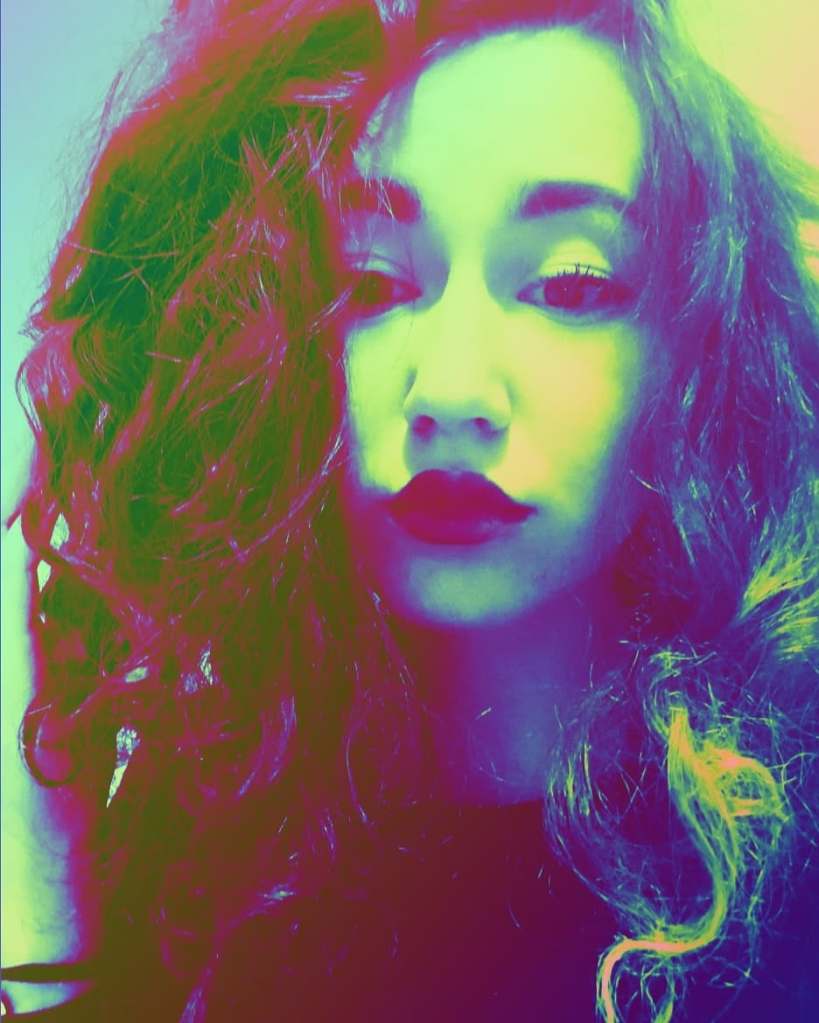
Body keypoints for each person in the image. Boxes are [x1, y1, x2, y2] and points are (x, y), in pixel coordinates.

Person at [2, 0, 818, 1019]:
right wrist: (50, 840)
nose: (452, 391)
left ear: (698, 351)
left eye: (569, 284)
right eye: (372, 282)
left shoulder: (789, 882)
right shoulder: (220, 867)